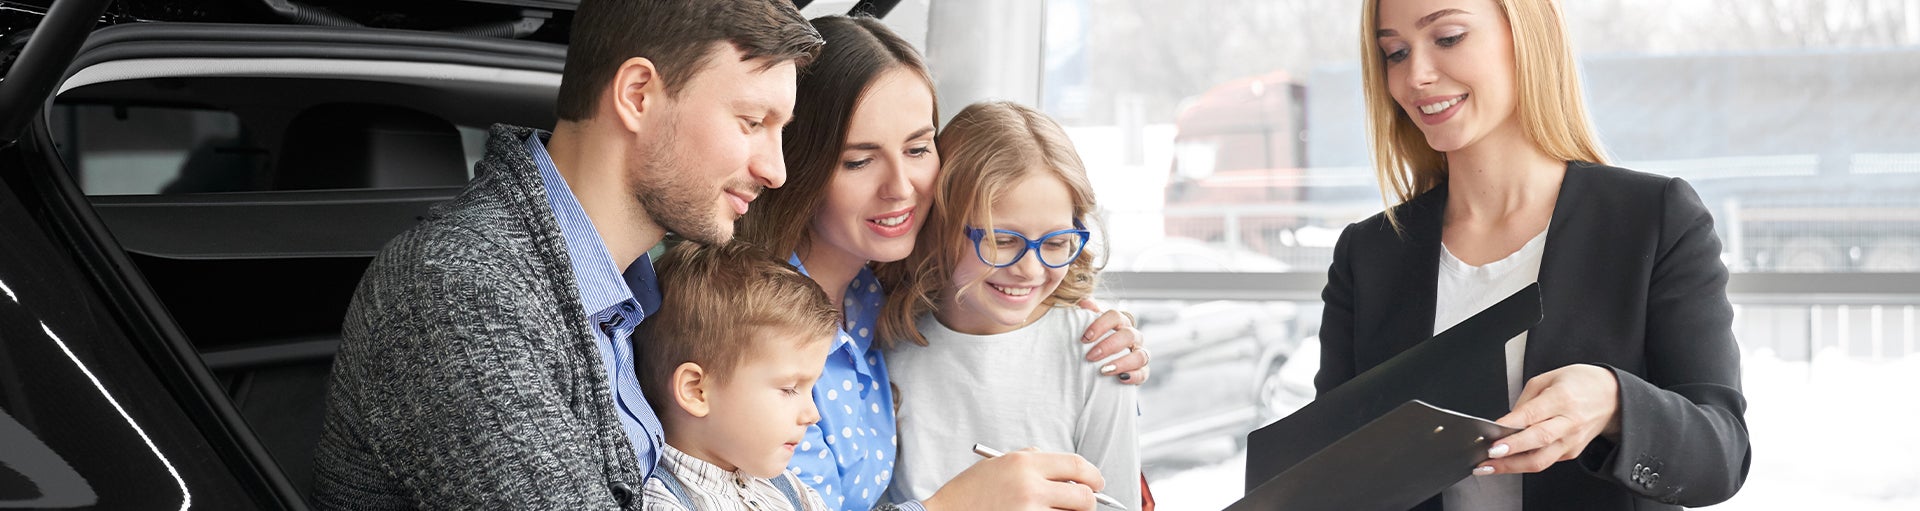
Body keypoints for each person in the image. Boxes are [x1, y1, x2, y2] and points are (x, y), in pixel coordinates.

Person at [310, 1, 821, 508]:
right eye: (752, 122)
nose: (775, 170)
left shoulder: (627, 296)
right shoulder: (460, 290)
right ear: (638, 95)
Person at [1316, 0, 1752, 509]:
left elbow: (1722, 456)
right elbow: (1328, 465)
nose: (1416, 75)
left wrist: (1615, 405)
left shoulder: (1653, 219)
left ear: (1528, 37)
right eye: (1394, 52)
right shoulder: (1369, 254)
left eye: (1449, 38)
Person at [736, 15, 1151, 511]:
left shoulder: (877, 298)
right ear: (797, 163)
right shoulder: (746, 322)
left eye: (917, 148)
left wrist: (1106, 325)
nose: (901, 188)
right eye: (858, 160)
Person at [877, 100, 1141, 510]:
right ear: (940, 226)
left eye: (1055, 243)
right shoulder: (887, 341)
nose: (1031, 269)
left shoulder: (1098, 351)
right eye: (1002, 241)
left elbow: (1117, 503)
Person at [633, 242, 838, 511]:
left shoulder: (788, 490)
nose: (813, 415)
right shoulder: (664, 503)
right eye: (789, 389)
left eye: (811, 388)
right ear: (696, 390)